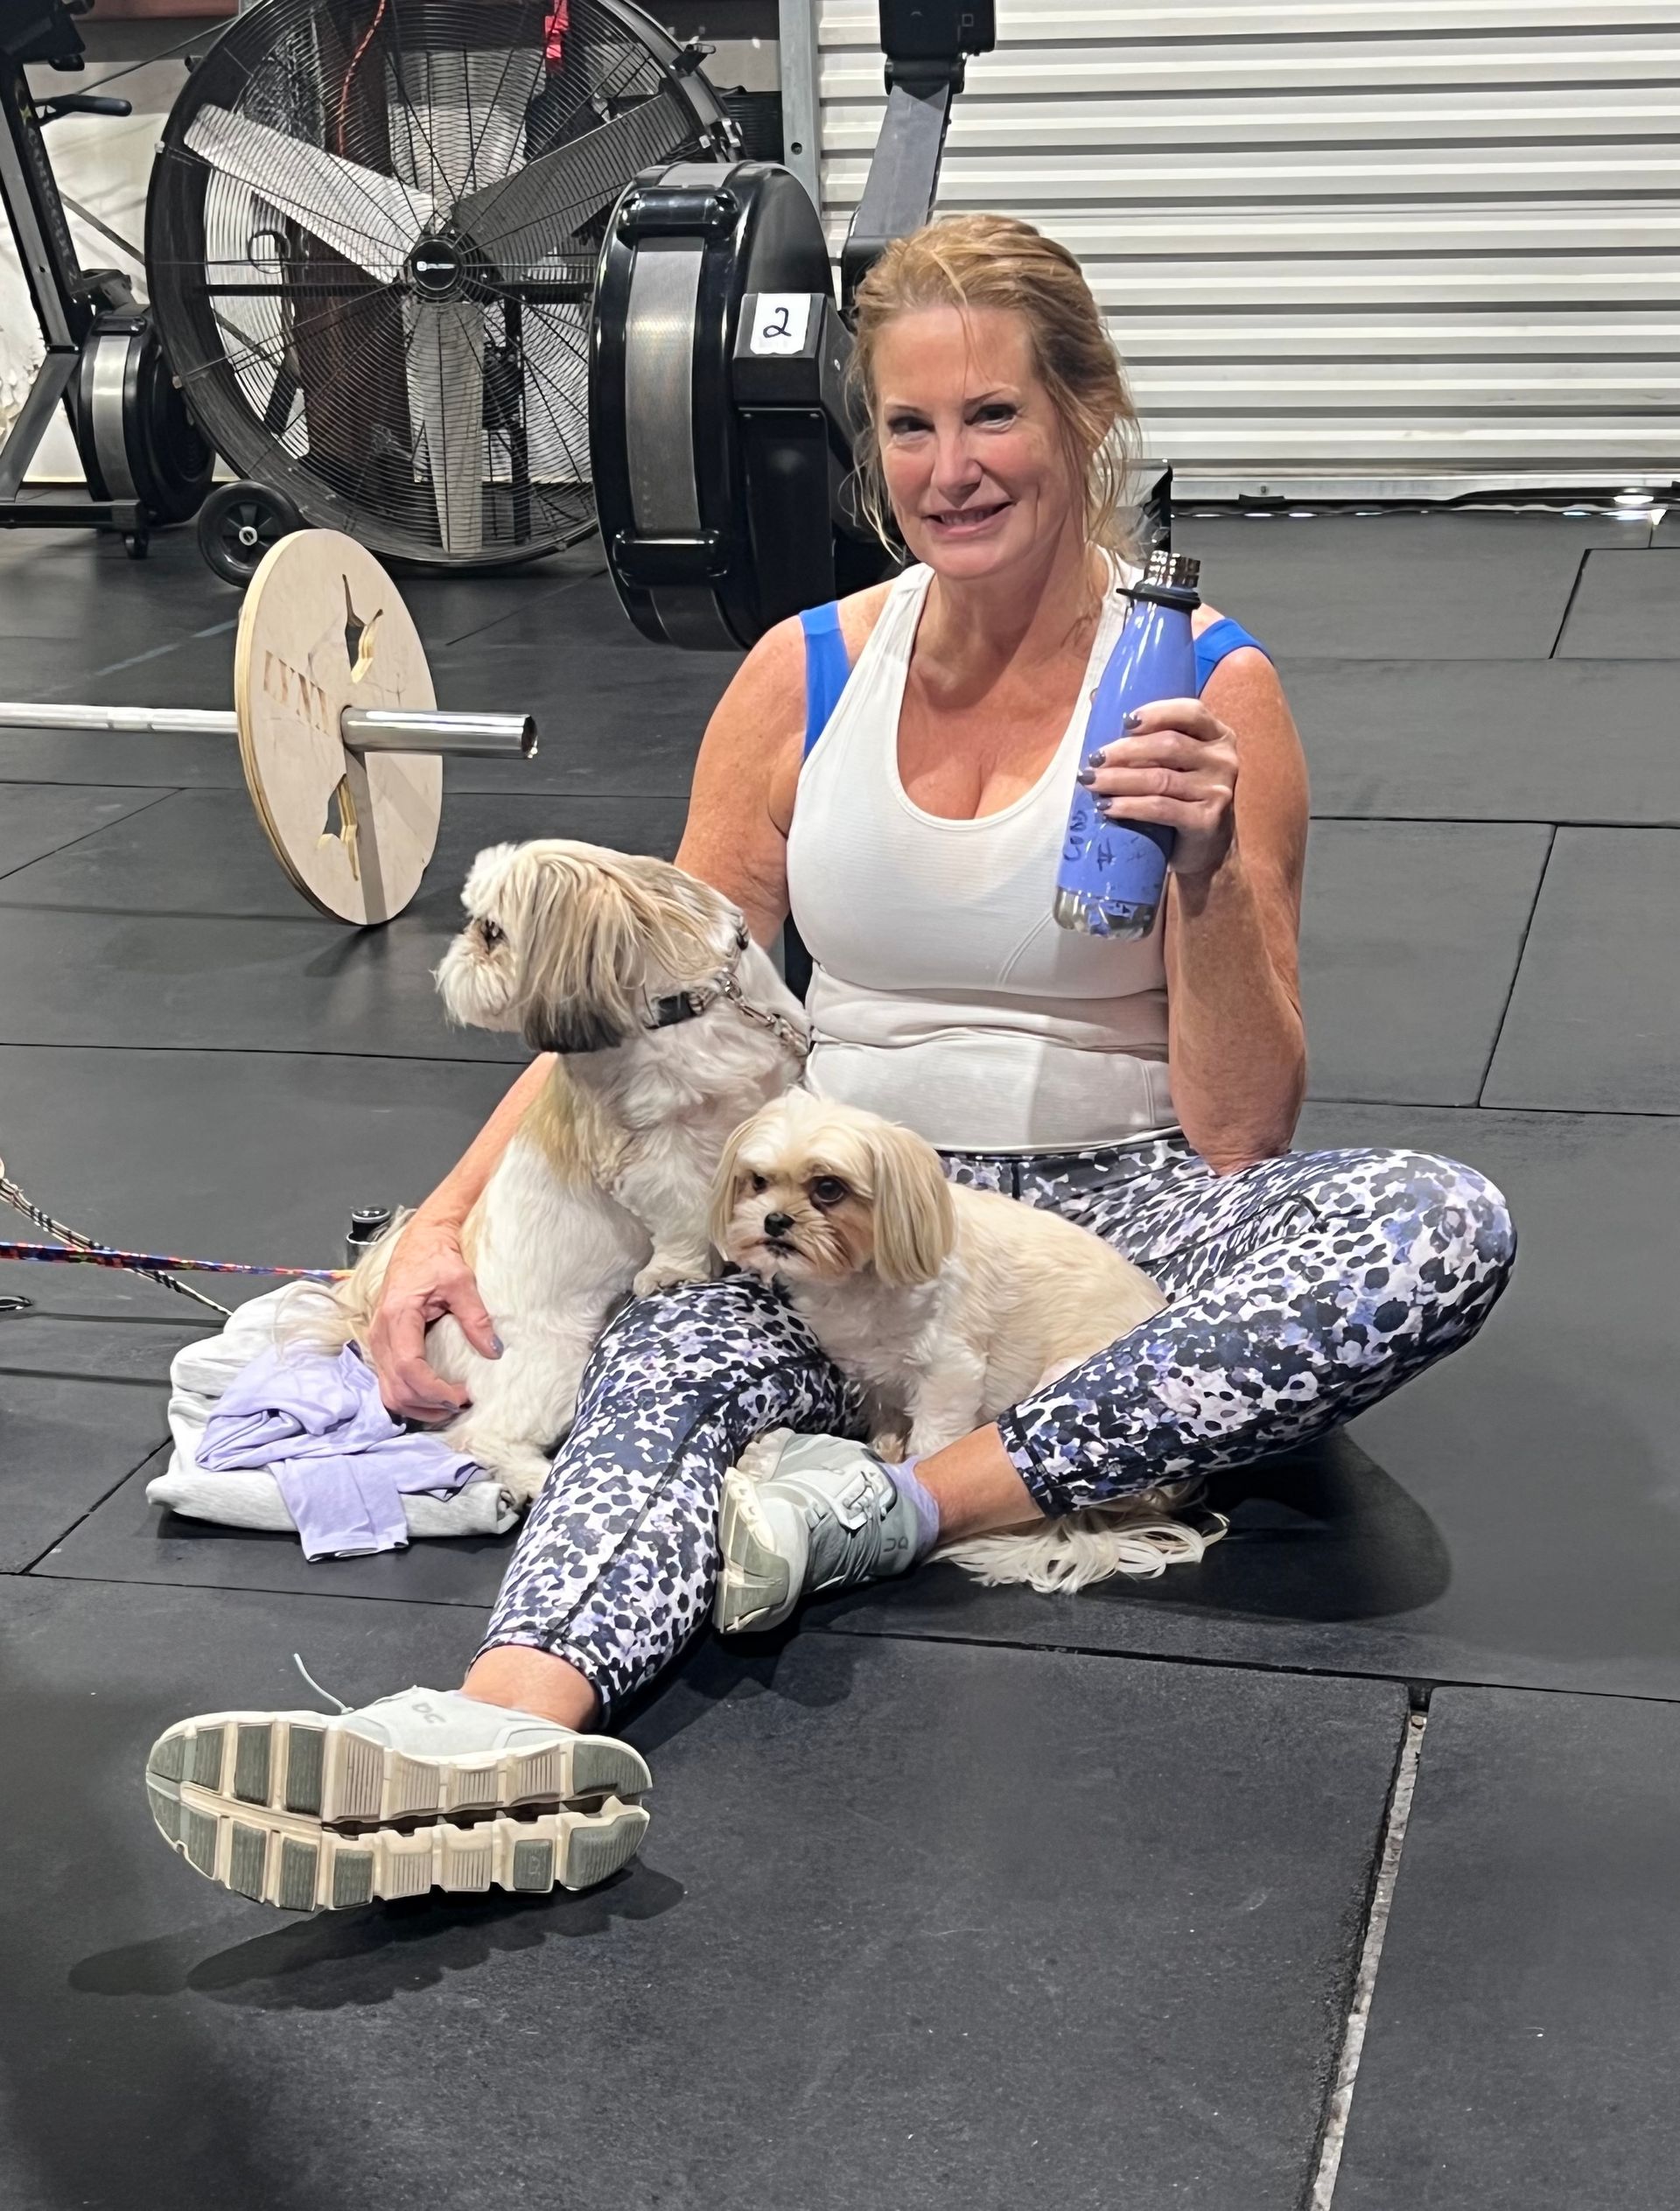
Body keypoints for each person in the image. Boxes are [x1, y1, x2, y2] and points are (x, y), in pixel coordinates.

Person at [142, 216, 1516, 1907]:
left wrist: (1210, 869)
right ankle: (489, 1739)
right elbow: (630, 1014)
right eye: (912, 426)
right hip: (827, 1197)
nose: (951, 469)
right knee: (657, 1372)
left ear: (1086, 415)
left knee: (1435, 1227)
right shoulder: (804, 674)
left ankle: (907, 1505)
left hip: (1116, 1207)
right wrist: (440, 1223)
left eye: (994, 415)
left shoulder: (1208, 686)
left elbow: (1242, 1127)